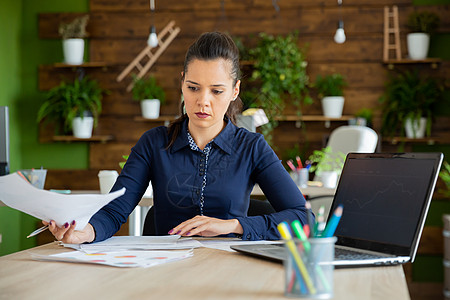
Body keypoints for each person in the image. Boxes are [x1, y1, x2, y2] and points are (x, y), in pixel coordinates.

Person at [44, 31, 309, 244]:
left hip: (229, 268)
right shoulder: (153, 143)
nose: (202, 102)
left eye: (216, 91)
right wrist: (85, 233)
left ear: (234, 90)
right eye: (193, 88)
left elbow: (302, 218)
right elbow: (114, 211)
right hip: (164, 268)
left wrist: (233, 225)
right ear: (182, 83)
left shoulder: (252, 148)